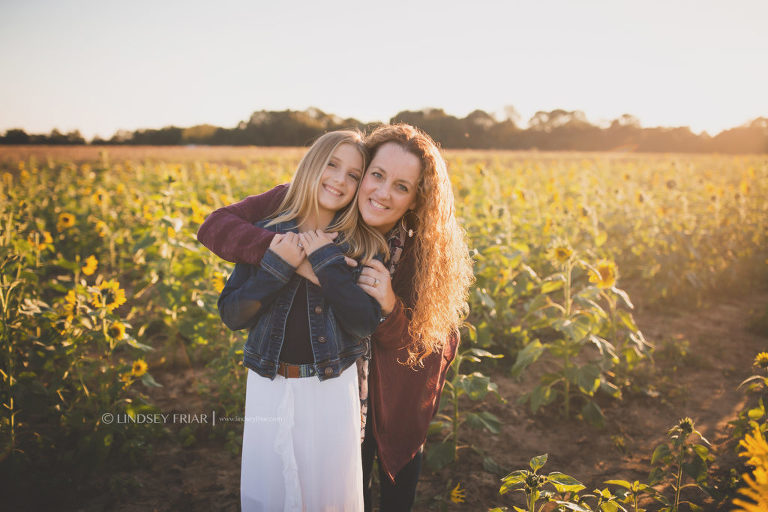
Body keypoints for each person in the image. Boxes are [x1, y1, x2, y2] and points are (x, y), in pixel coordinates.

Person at [198, 123, 475, 511]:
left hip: (393, 388)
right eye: (376, 176)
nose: (381, 192)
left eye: (401, 186)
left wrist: (391, 305)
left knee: (389, 486)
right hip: (332, 385)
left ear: (416, 199)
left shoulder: (420, 252)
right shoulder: (308, 204)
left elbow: (426, 345)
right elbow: (216, 227)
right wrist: (288, 256)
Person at [216, 130, 388, 511]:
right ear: (312, 165)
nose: (340, 180)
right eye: (332, 165)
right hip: (268, 382)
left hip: (329, 386)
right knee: (270, 491)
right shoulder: (267, 233)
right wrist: (277, 267)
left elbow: (363, 323)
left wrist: (325, 261)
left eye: (354, 175)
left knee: (327, 496)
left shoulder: (360, 245)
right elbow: (232, 315)